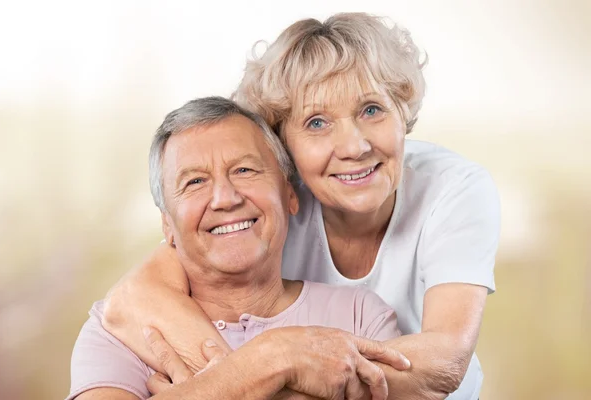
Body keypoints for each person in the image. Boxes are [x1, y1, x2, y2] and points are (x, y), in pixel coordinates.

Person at [102, 12, 501, 400]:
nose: (354, 147)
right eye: (316, 123)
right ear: (283, 146)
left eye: (372, 110)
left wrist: (258, 379)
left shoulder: (455, 190)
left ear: (403, 112)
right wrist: (266, 364)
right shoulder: (265, 200)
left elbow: (446, 361)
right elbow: (130, 301)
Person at [67, 97, 410, 400]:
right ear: (166, 224)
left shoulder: (362, 316)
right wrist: (272, 359)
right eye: (195, 182)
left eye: (244, 170)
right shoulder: (118, 330)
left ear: (290, 195)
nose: (225, 199)